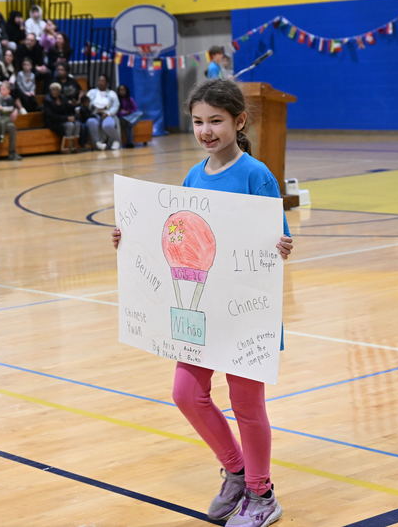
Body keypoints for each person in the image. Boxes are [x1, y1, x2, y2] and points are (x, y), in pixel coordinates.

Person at [111, 79, 293, 527]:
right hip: (199, 307)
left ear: (239, 121)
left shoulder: (256, 174)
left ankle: (261, 493)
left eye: (216, 120)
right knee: (186, 393)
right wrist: (131, 238)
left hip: (246, 310)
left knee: (248, 406)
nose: (206, 130)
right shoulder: (193, 176)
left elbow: (277, 234)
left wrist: (282, 244)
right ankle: (236, 470)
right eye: (198, 122)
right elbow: (180, 233)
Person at [86, 73, 121, 150]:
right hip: (94, 114)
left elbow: (116, 106)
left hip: (107, 114)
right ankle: (98, 143)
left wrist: (108, 113)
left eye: (103, 81)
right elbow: (86, 103)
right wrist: (92, 107)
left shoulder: (112, 93)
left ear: (107, 83)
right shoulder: (91, 92)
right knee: (91, 122)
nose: (100, 82)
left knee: (107, 125)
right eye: (99, 80)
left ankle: (116, 140)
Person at [43, 81, 79, 152]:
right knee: (70, 125)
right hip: (53, 122)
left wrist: (73, 115)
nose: (54, 91)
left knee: (77, 124)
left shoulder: (63, 98)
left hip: (63, 120)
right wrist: (67, 118)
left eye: (56, 89)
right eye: (53, 89)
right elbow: (51, 115)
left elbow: (69, 109)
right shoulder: (47, 100)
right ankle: (67, 146)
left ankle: (75, 145)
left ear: (59, 91)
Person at [117, 84, 143, 148]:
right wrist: (123, 113)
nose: (122, 91)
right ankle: (130, 142)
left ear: (126, 91)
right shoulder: (117, 100)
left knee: (140, 113)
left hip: (130, 116)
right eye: (120, 90)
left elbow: (135, 109)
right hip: (121, 118)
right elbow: (116, 112)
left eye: (123, 90)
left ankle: (129, 142)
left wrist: (128, 112)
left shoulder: (130, 99)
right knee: (129, 124)